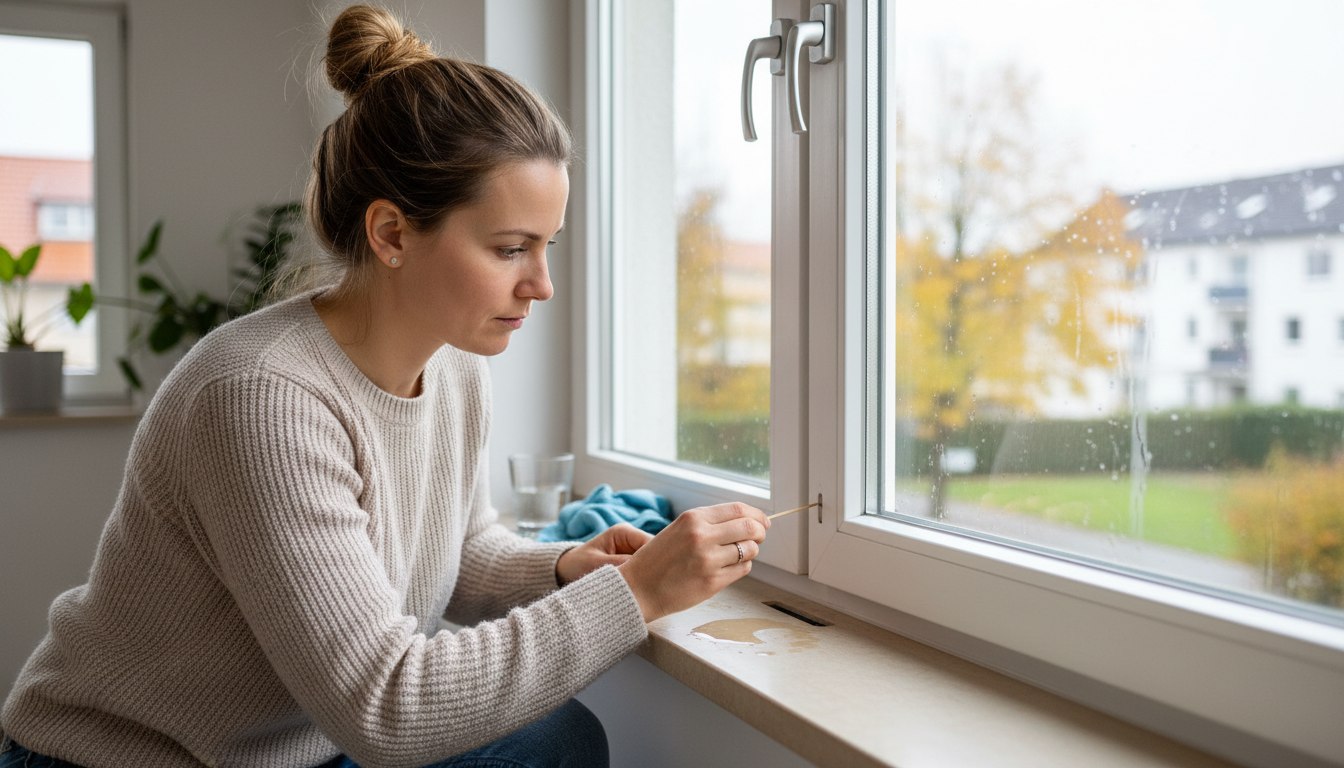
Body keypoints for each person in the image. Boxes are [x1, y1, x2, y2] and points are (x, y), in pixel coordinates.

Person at [0, 5, 769, 767]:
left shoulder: (456, 366)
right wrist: (637, 597)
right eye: (511, 249)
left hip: (305, 744)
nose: (542, 285)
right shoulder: (260, 398)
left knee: (565, 740)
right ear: (393, 234)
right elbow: (386, 708)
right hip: (135, 759)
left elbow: (455, 552)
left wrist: (567, 568)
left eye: (547, 247)